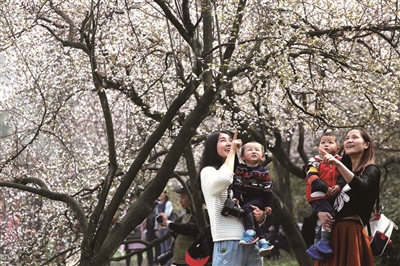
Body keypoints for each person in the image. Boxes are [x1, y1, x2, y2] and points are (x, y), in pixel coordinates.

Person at [195, 130, 266, 266]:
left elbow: (255, 199)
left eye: (230, 140)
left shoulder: (242, 173)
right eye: (222, 140)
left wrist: (261, 216)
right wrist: (233, 151)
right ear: (212, 147)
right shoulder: (208, 172)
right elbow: (221, 181)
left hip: (253, 240)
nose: (229, 143)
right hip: (228, 240)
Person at [315, 128, 381, 266]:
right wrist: (319, 212)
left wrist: (338, 164)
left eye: (355, 137)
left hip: (351, 232)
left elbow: (362, 186)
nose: (349, 140)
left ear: (366, 144)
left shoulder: (371, 170)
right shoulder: (339, 174)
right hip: (331, 234)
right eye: (346, 138)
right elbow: (323, 197)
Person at [304, 132, 346, 260]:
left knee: (332, 216)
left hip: (331, 197)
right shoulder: (315, 160)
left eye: (330, 142)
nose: (326, 145)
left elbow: (343, 176)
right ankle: (323, 242)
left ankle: (316, 246)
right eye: (323, 142)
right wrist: (325, 188)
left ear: (337, 148)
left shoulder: (340, 162)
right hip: (318, 196)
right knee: (330, 217)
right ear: (319, 147)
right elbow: (311, 177)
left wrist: (338, 186)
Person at [231, 141, 274, 256]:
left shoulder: (264, 171)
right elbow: (238, 184)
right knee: (251, 218)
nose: (254, 151)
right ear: (242, 157)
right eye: (250, 150)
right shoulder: (240, 169)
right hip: (246, 199)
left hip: (260, 198)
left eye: (257, 150)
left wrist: (268, 205)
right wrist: (236, 197)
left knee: (246, 208)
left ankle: (250, 232)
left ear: (263, 156)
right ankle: (264, 242)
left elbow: (268, 189)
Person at [158, 180, 199, 266]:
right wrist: (169, 226)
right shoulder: (187, 213)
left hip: (189, 260)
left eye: (183, 197)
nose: (180, 201)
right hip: (180, 260)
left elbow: (189, 229)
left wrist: (169, 224)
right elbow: (180, 234)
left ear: (192, 197)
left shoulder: (200, 213)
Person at [156, 191, 174, 266]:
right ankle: (163, 263)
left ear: (165, 194)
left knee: (167, 247)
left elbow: (167, 214)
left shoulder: (168, 203)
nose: (161, 194)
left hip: (166, 227)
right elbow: (156, 217)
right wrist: (156, 228)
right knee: (162, 247)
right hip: (160, 228)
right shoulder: (158, 204)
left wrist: (161, 224)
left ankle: (168, 263)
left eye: (162, 193)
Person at [145, 201, 161, 266]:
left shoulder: (158, 204)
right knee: (148, 245)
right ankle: (150, 262)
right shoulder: (147, 204)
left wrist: (157, 228)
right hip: (148, 229)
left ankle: (157, 261)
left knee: (157, 246)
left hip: (156, 229)